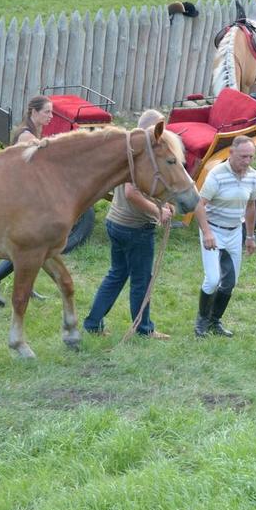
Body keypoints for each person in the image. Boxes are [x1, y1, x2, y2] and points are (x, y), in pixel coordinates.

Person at [82, 110, 174, 340]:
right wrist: (158, 211)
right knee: (141, 281)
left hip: (116, 221)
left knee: (116, 274)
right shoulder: (141, 154)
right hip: (135, 228)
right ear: (152, 129)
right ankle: (143, 329)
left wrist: (164, 203)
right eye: (161, 129)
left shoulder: (129, 149)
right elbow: (131, 192)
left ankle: (93, 323)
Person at [0, 95, 54, 306]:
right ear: (34, 112)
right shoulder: (27, 137)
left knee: (33, 246)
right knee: (29, 246)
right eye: (47, 112)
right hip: (18, 198)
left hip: (23, 195)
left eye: (51, 112)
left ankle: (22, 285)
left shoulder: (33, 131)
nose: (51, 116)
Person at [193, 135, 256, 337]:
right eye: (243, 157)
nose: (247, 161)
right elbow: (199, 205)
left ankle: (215, 321)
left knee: (230, 282)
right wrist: (207, 233)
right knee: (213, 280)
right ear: (231, 153)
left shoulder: (253, 176)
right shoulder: (216, 175)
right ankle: (201, 322)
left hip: (234, 232)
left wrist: (250, 236)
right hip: (214, 230)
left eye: (251, 157)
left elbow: (251, 205)